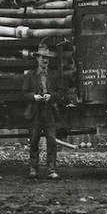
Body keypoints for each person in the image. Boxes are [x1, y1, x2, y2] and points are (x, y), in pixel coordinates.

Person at [23, 44, 64, 180]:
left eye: (47, 58)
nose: (45, 60)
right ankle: (33, 169)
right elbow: (23, 94)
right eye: (42, 57)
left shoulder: (54, 75)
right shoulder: (30, 75)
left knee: (51, 141)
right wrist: (33, 97)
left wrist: (51, 96)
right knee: (34, 141)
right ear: (37, 59)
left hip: (49, 111)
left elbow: (61, 93)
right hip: (35, 112)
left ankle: (51, 170)